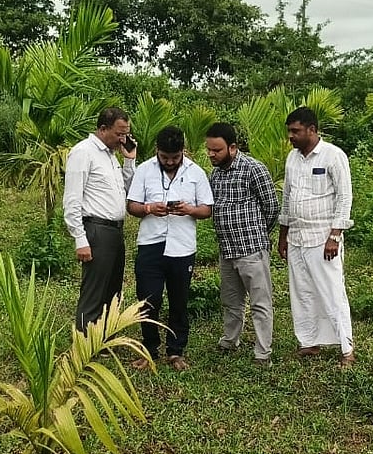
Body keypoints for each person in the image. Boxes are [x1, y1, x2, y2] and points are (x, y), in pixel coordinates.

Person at [126, 126, 213, 371]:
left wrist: (189, 210)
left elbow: (207, 209)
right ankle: (149, 351)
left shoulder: (196, 173)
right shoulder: (144, 170)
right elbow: (132, 205)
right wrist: (148, 209)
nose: (170, 162)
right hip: (150, 244)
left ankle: (176, 352)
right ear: (157, 151)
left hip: (182, 246)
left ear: (183, 151)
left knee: (179, 301)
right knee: (147, 300)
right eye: (165, 158)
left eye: (175, 158)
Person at [277, 106, 356, 368]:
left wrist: (335, 235)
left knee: (332, 292)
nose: (291, 136)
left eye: (295, 131)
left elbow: (344, 197)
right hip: (297, 237)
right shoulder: (292, 159)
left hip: (323, 238)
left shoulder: (333, 156)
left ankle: (346, 348)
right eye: (289, 131)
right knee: (302, 292)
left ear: (312, 130)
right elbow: (287, 199)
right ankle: (308, 342)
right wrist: (283, 234)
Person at [204, 122, 280, 367]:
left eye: (217, 150)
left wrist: (258, 235)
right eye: (209, 150)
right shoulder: (215, 174)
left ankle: (262, 353)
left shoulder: (253, 169)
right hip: (226, 249)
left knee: (260, 302)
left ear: (233, 147)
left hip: (251, 249)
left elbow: (271, 207)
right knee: (230, 299)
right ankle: (230, 339)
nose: (211, 155)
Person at [63, 107, 137, 332]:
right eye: (119, 134)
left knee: (112, 290)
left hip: (115, 231)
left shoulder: (110, 155)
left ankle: (101, 339)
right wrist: (80, 239)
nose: (123, 139)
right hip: (96, 230)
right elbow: (72, 200)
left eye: (126, 134)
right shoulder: (83, 152)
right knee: (94, 291)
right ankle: (85, 343)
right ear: (103, 129)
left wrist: (129, 161)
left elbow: (127, 188)